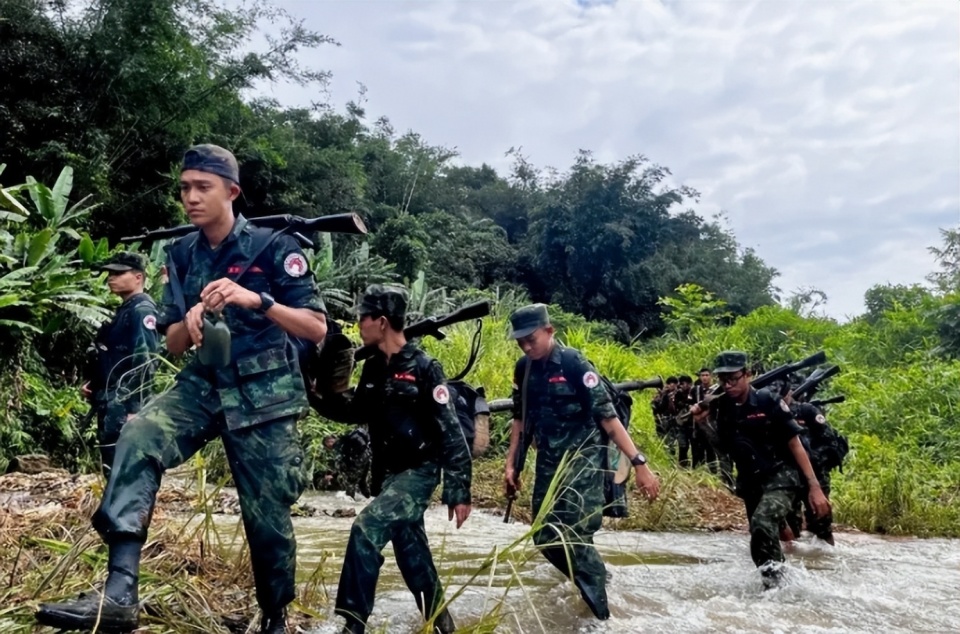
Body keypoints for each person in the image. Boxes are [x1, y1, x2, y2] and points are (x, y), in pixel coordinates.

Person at [36, 144, 328, 634]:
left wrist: (256, 300)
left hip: (265, 394)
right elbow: (169, 341)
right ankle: (120, 592)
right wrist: (190, 321)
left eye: (202, 187)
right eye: (185, 188)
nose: (190, 197)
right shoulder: (181, 252)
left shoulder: (276, 245)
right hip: (204, 383)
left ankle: (275, 618)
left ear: (231, 192)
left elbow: (316, 327)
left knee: (266, 517)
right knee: (139, 435)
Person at [320, 285, 472, 634]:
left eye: (363, 317)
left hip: (419, 472)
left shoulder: (424, 368)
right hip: (389, 476)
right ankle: (442, 625)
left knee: (365, 529)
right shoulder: (373, 368)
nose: (358, 323)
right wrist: (320, 395)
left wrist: (459, 489)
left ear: (382, 322)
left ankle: (353, 624)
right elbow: (354, 411)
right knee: (412, 556)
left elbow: (450, 430)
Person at [503, 303, 660, 620]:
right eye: (520, 342)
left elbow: (608, 418)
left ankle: (602, 618)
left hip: (583, 458)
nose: (526, 346)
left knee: (574, 533)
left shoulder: (574, 363)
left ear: (549, 331)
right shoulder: (524, 368)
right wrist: (511, 465)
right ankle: (596, 573)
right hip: (548, 459)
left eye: (531, 339)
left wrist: (639, 463)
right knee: (544, 536)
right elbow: (519, 421)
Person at [690, 351, 830, 588]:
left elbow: (795, 443)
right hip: (750, 480)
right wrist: (704, 422)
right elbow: (723, 448)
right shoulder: (723, 407)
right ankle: (775, 582)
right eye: (723, 380)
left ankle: (779, 586)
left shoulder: (768, 400)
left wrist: (814, 487)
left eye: (733, 378)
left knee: (762, 522)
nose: (728, 384)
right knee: (761, 534)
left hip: (781, 474)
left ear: (747, 374)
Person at [83, 252, 159, 478]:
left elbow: (146, 361)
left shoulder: (141, 310)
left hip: (125, 403)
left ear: (138, 277)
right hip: (111, 398)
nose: (111, 278)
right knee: (111, 465)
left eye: (118, 273)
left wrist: (136, 408)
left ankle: (125, 513)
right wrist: (94, 384)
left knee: (124, 468)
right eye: (110, 273)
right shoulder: (126, 309)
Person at [671, 375, 695, 467]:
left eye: (683, 384)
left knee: (695, 447)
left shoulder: (694, 392)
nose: (681, 386)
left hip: (693, 424)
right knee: (682, 446)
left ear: (689, 384)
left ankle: (695, 466)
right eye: (680, 384)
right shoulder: (678, 394)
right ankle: (683, 465)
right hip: (682, 424)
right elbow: (677, 405)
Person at [651, 376, 678, 450]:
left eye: (674, 384)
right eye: (670, 383)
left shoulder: (677, 394)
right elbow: (654, 404)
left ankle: (669, 451)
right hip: (660, 417)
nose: (671, 385)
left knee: (670, 439)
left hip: (672, 419)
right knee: (660, 434)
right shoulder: (662, 393)